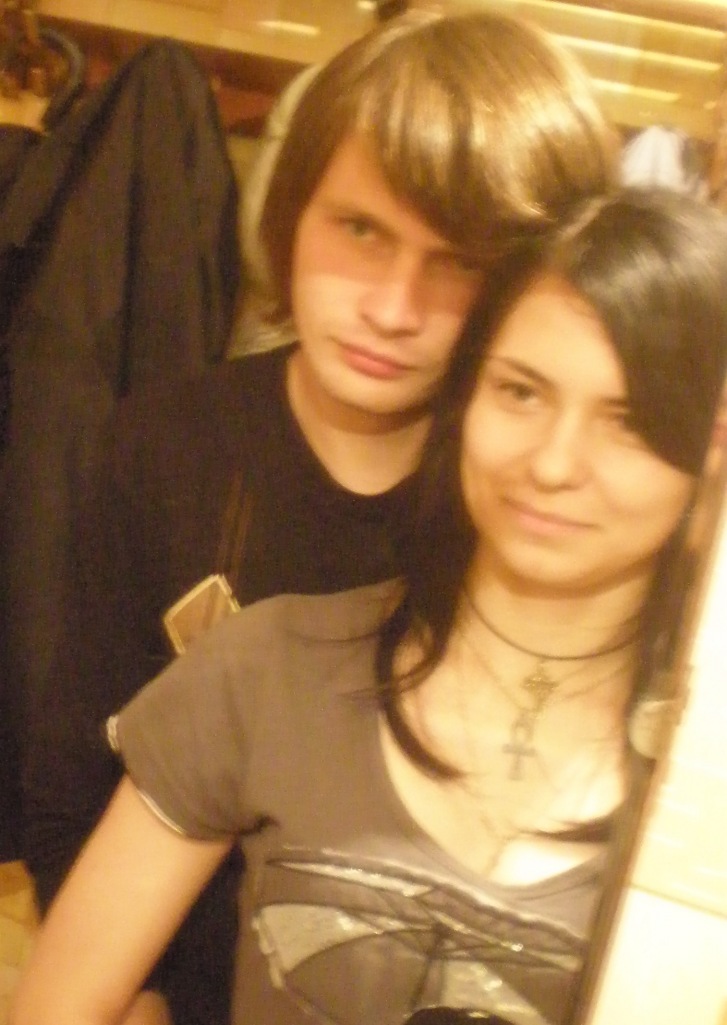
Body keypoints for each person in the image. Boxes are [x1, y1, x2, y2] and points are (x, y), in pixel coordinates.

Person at [18, 8, 617, 1025]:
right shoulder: (166, 446)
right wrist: (134, 993)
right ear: (293, 209)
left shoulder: (535, 509)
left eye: (458, 262)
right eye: (360, 230)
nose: (391, 307)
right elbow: (72, 769)